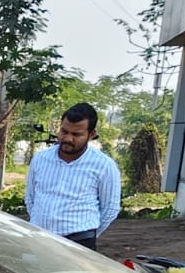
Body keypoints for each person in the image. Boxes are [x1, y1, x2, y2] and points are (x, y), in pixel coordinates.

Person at [23, 102, 122, 250]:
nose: (68, 138)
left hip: (79, 244)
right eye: (64, 131)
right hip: (39, 239)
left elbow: (110, 208)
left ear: (91, 135)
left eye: (76, 134)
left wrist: (88, 233)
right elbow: (30, 198)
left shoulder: (104, 165)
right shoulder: (40, 159)